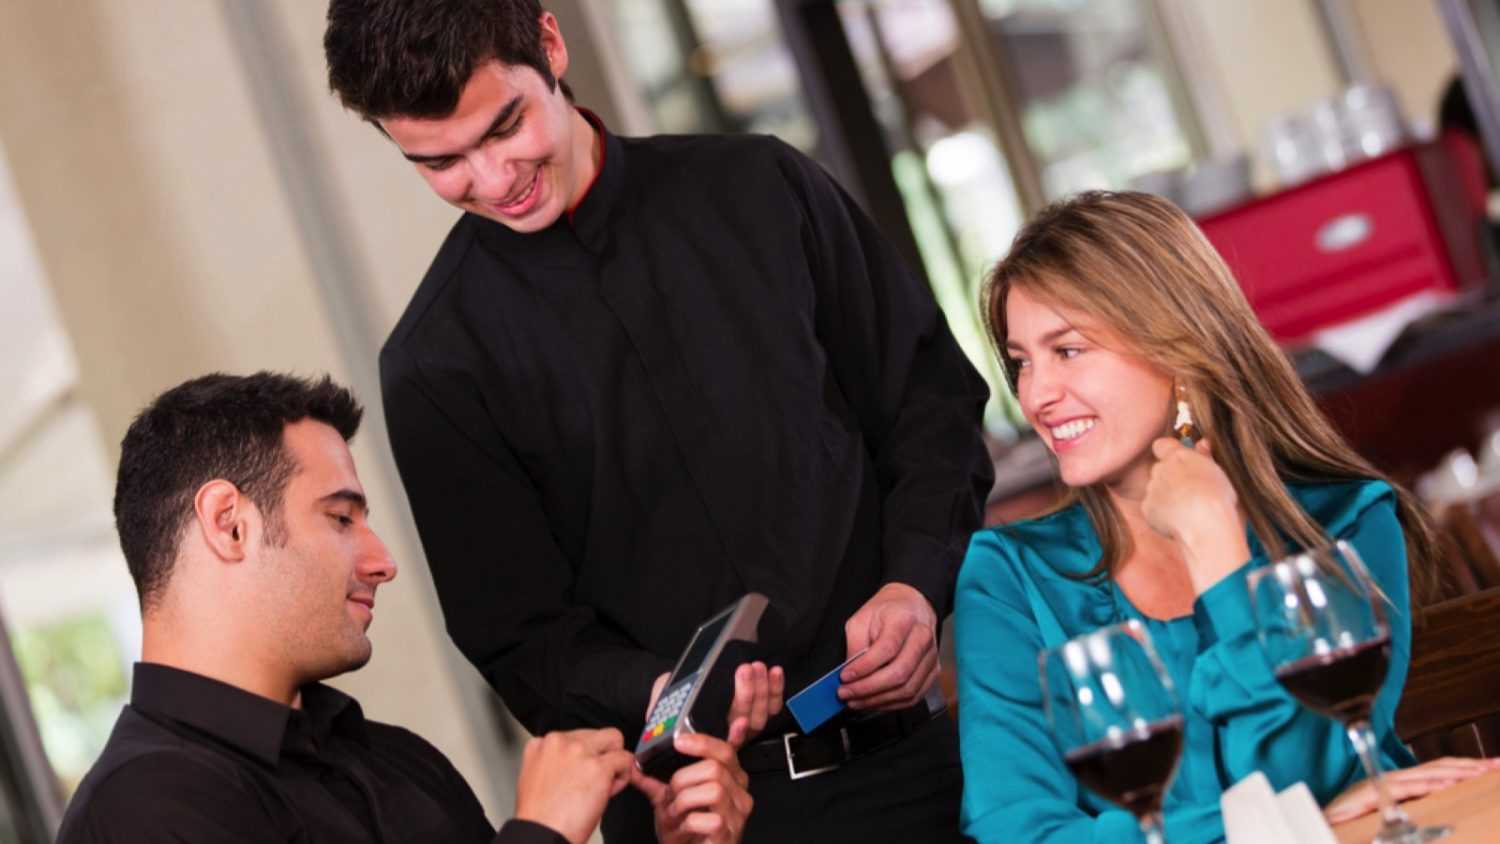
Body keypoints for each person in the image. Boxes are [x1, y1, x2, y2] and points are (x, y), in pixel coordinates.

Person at [322, 2, 993, 840]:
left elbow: (930, 402)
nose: (494, 180)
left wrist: (914, 583)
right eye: (441, 162)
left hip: (922, 767)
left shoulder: (763, 187)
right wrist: (665, 693)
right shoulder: (434, 368)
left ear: (551, 43)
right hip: (695, 821)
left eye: (505, 126)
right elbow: (521, 639)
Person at [953, 191, 1500, 843]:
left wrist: (1216, 547)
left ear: (1177, 350)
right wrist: (1278, 819)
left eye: (1067, 350)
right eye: (1021, 362)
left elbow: (1298, 764)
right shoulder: (1009, 577)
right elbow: (1017, 832)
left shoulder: (1345, 522)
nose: (1036, 395)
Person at [57, 372, 754, 844]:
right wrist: (539, 836)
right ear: (229, 524)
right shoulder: (143, 809)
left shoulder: (395, 760)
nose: (382, 560)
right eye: (339, 518)